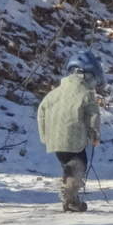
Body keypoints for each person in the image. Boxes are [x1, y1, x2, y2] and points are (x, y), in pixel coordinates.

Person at [36, 56, 102, 212]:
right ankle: (69, 194)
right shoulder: (86, 94)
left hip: (55, 140)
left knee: (69, 166)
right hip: (74, 137)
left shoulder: (53, 94)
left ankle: (71, 200)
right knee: (79, 164)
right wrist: (94, 133)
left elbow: (41, 113)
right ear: (87, 76)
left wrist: (44, 136)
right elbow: (93, 115)